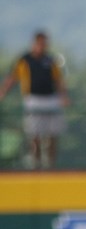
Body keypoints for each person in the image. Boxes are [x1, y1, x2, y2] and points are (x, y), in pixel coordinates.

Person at [0, 30, 70, 169]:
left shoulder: (50, 60)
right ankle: (36, 165)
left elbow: (58, 81)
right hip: (33, 100)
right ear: (35, 43)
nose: (43, 46)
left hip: (50, 99)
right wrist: (2, 93)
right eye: (40, 43)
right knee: (34, 135)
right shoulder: (24, 60)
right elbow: (12, 78)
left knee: (52, 135)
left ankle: (50, 165)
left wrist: (63, 96)